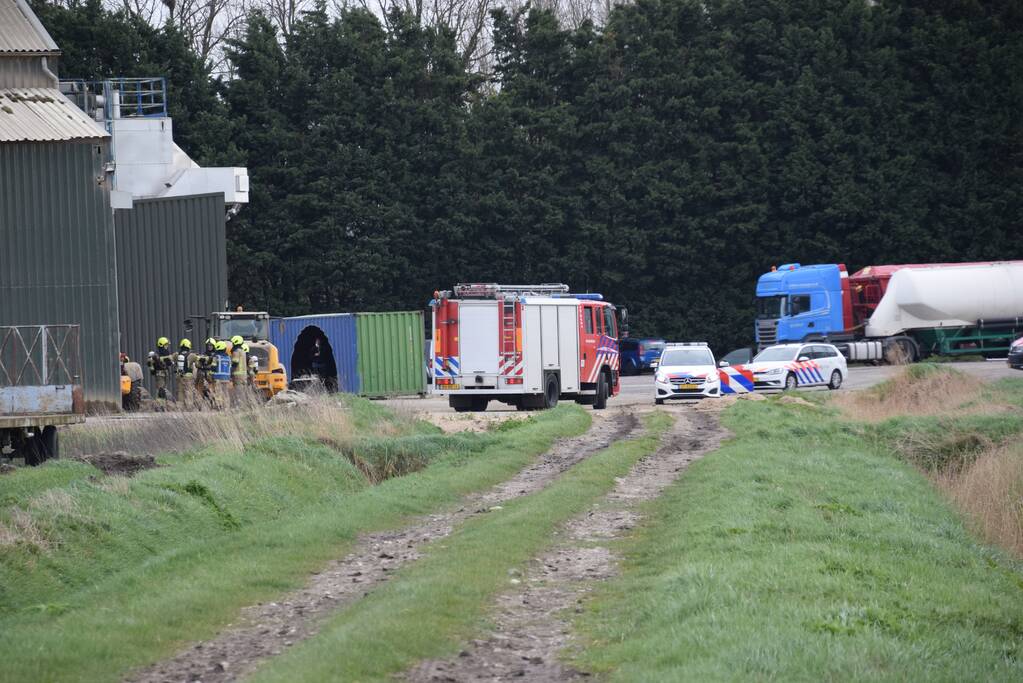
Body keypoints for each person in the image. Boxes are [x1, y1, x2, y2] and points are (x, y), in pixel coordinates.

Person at [176, 338, 199, 408]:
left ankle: (180, 406)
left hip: (179, 376)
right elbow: (198, 364)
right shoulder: (192, 355)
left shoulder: (177, 354)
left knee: (180, 391)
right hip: (188, 377)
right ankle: (189, 406)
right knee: (188, 391)